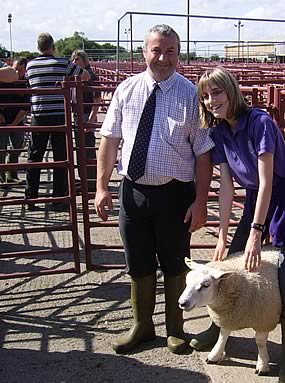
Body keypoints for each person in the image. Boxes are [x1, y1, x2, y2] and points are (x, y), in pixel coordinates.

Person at [94, 24, 214, 355]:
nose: (163, 58)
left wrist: (201, 201)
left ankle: (175, 328)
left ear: (179, 53)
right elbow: (110, 140)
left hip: (176, 195)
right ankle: (142, 326)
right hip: (133, 192)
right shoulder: (126, 90)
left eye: (170, 51)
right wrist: (101, 187)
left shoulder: (191, 95)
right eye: (156, 50)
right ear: (144, 51)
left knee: (175, 263)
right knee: (138, 261)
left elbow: (204, 152)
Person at [193, 67, 285, 383]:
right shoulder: (219, 131)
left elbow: (266, 182)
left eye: (216, 92)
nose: (211, 100)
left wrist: (256, 234)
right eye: (205, 96)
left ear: (232, 90)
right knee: (227, 269)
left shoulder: (259, 123)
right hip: (255, 201)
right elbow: (226, 186)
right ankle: (218, 328)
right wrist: (222, 234)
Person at [25, 33, 89, 211]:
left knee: (34, 158)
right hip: (60, 115)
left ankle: (31, 198)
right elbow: (84, 76)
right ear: (53, 47)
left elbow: (29, 86)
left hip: (38, 116)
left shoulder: (30, 65)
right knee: (61, 158)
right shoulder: (63, 63)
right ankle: (59, 199)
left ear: (38, 47)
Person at [70, 49, 101, 191]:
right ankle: (85, 181)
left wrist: (91, 118)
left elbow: (97, 99)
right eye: (73, 60)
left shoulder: (91, 76)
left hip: (86, 114)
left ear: (84, 60)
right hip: (78, 114)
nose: (75, 62)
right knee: (80, 149)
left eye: (77, 59)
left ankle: (91, 182)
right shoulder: (77, 76)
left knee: (87, 148)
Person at [0, 57, 29, 185]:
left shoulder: (26, 83)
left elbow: (25, 107)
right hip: (2, 118)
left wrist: (14, 123)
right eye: (16, 69)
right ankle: (1, 177)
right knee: (1, 148)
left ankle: (12, 174)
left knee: (16, 147)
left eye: (21, 70)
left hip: (17, 118)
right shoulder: (3, 80)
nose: (17, 73)